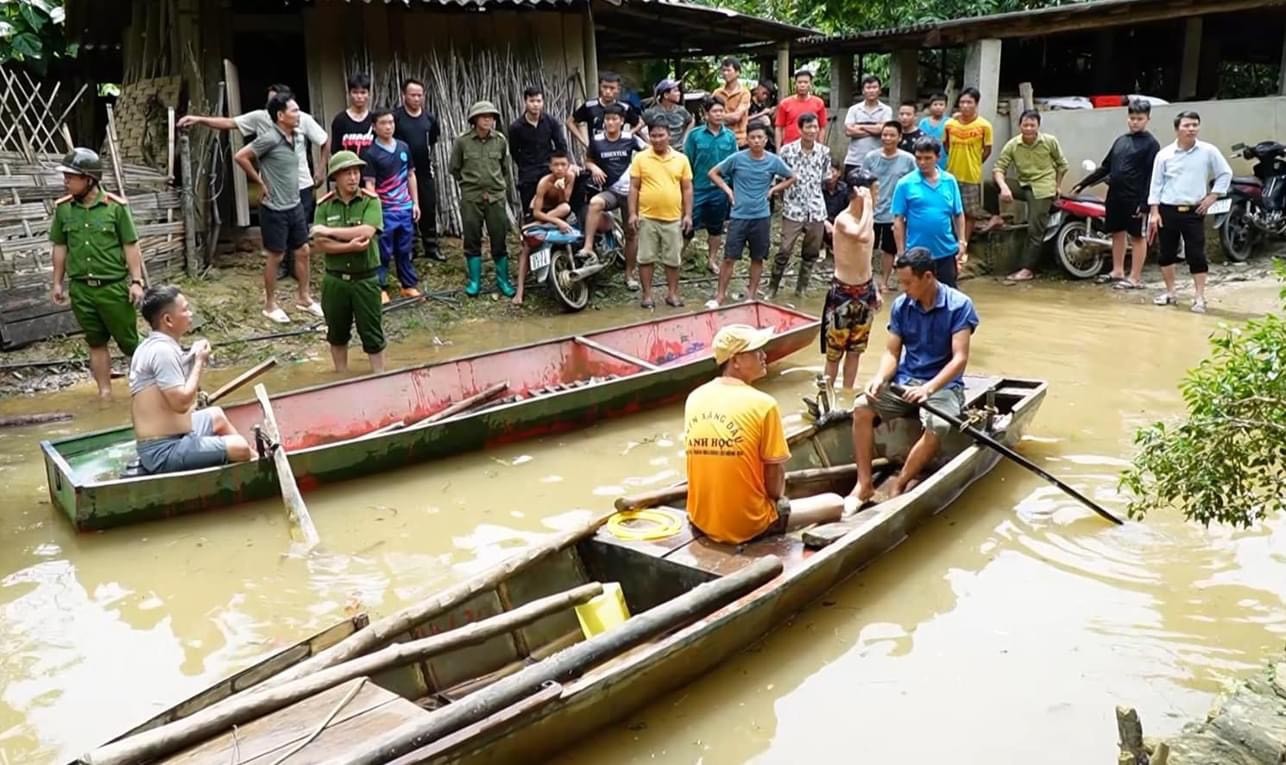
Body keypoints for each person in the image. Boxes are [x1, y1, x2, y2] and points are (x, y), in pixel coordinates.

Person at [684, 324, 845, 545]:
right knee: (835, 503)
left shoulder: (694, 397)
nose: (764, 355)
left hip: (700, 519)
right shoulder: (763, 404)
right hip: (748, 525)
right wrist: (779, 499)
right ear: (735, 361)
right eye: (756, 351)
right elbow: (774, 483)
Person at [849, 247, 979, 502]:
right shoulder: (902, 305)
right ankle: (864, 483)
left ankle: (900, 483)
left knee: (939, 425)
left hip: (942, 385)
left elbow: (959, 359)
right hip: (905, 382)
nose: (903, 288)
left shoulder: (959, 305)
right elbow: (891, 353)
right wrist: (880, 378)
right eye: (901, 282)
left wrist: (928, 388)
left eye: (908, 282)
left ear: (928, 277)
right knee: (861, 408)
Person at [179, 84, 328, 281]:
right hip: (274, 187)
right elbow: (229, 124)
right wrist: (199, 119)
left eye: (276, 100)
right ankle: (282, 267)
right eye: (269, 101)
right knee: (278, 235)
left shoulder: (301, 119)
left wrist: (320, 170)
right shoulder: (261, 119)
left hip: (301, 185)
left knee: (299, 235)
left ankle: (297, 273)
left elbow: (324, 140)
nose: (271, 105)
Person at [49, 148, 145, 399]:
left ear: (89, 178)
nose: (66, 181)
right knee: (95, 341)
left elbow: (130, 245)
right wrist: (57, 283)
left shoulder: (115, 208)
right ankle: (105, 394)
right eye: (66, 176)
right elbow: (60, 247)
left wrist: (136, 281)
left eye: (71, 176)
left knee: (130, 342)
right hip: (81, 288)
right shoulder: (63, 209)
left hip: (112, 287)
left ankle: (150, 389)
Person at [129, 285, 253, 475]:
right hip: (163, 450)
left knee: (216, 415)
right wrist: (199, 362)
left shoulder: (155, 346)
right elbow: (180, 403)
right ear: (168, 320)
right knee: (240, 447)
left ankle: (256, 461)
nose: (190, 314)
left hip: (176, 436)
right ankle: (252, 462)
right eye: (185, 309)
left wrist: (192, 355)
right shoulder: (162, 351)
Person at [234, 92, 321, 323]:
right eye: (294, 110)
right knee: (276, 256)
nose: (298, 114)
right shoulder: (270, 138)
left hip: (294, 204)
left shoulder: (297, 136)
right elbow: (241, 156)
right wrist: (259, 181)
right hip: (274, 209)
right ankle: (270, 305)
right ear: (280, 116)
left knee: (303, 250)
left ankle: (304, 298)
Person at [1147, 110, 1232, 313]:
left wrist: (1213, 196)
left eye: (1195, 125)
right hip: (1167, 210)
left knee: (1196, 254)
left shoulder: (1208, 151)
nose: (1191, 129)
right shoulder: (1164, 154)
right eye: (1187, 125)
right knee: (1166, 254)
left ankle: (1200, 297)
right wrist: (1154, 212)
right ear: (1177, 129)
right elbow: (1156, 185)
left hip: (1194, 211)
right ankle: (1170, 293)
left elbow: (1225, 173)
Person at [312, 151, 387, 374]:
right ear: (336, 177)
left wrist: (330, 231)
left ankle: (380, 377)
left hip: (365, 278)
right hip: (335, 280)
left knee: (372, 334)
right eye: (347, 173)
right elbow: (320, 243)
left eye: (356, 172)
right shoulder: (324, 205)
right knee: (336, 334)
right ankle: (341, 378)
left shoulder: (370, 201)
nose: (353, 178)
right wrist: (348, 246)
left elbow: (367, 231)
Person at [1077, 99, 1161, 290]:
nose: (1135, 122)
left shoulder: (1151, 145)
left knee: (1137, 237)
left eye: (1139, 118)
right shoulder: (1121, 141)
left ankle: (1135, 277)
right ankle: (1117, 270)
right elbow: (1106, 167)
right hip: (1115, 195)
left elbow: (1152, 176)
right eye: (1132, 118)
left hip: (1136, 198)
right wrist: (1084, 183)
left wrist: (1145, 202)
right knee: (1117, 232)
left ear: (1148, 119)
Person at [708, 123, 795, 307]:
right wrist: (728, 191)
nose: (756, 141)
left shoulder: (773, 161)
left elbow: (792, 177)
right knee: (729, 257)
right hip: (739, 215)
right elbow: (713, 173)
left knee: (757, 257)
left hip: (761, 216)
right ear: (747, 139)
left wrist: (773, 189)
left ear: (765, 140)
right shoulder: (737, 158)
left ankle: (751, 295)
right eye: (752, 137)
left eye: (759, 138)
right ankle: (720, 296)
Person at [823, 171, 883, 402]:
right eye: (874, 191)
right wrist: (866, 205)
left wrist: (875, 287)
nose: (876, 196)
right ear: (859, 193)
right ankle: (827, 399)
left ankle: (847, 395)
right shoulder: (844, 219)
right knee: (834, 353)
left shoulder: (868, 218)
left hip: (864, 291)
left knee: (856, 350)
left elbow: (866, 256)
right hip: (843, 294)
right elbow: (861, 237)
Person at [449, 100, 516, 299]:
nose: (488, 120)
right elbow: (454, 168)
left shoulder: (500, 140)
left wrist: (494, 186)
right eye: (484, 116)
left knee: (499, 238)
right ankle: (474, 281)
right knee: (471, 238)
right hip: (471, 198)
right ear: (474, 119)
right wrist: (471, 185)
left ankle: (503, 280)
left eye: (491, 116)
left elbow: (505, 169)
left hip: (495, 197)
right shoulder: (462, 141)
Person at [994, 109, 1068, 282]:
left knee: (1035, 230)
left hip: (1043, 188)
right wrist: (1004, 186)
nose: (1028, 128)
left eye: (1032, 125)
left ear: (1038, 126)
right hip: (1024, 184)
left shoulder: (1049, 141)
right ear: (1019, 125)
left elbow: (1062, 165)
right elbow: (999, 168)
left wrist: (1057, 186)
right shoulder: (1013, 144)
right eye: (1025, 125)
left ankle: (1027, 269)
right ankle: (995, 218)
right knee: (993, 184)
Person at [629, 119, 693, 309]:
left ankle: (672, 294)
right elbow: (633, 187)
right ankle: (647, 295)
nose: (656, 139)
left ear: (669, 136)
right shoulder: (641, 158)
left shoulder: (681, 159)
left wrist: (688, 215)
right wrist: (633, 213)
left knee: (673, 259)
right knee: (645, 258)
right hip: (647, 217)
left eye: (661, 135)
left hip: (673, 218)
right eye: (653, 136)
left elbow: (687, 188)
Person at [580, 103, 645, 287]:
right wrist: (593, 167)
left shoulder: (630, 138)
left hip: (632, 192)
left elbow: (649, 152)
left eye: (614, 119)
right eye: (607, 119)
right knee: (594, 203)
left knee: (631, 232)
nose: (610, 123)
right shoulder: (597, 140)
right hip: (611, 191)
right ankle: (588, 246)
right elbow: (588, 160)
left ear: (622, 121)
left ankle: (629, 275)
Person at [360, 109, 421, 302]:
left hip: (404, 208)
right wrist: (375, 211)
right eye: (384, 123)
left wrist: (415, 203)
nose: (388, 127)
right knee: (383, 251)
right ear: (374, 127)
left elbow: (411, 175)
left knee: (405, 249)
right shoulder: (370, 153)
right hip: (385, 210)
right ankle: (381, 287)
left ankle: (408, 285)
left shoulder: (403, 147)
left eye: (391, 123)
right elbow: (370, 185)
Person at [892, 137, 967, 287]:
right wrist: (901, 252)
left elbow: (958, 214)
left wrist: (962, 240)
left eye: (928, 158)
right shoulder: (905, 184)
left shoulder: (949, 181)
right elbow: (898, 220)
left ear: (937, 158)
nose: (922, 162)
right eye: (918, 158)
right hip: (916, 253)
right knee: (917, 296)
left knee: (948, 297)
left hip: (946, 251)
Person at [772, 113, 831, 299]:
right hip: (793, 208)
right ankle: (773, 287)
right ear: (800, 129)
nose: (812, 131)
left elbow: (825, 179)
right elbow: (779, 180)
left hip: (816, 208)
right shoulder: (787, 151)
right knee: (784, 249)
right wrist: (785, 200)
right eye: (808, 127)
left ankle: (801, 289)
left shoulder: (824, 152)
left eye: (815, 127)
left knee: (811, 252)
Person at [513, 150, 580, 306]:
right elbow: (536, 212)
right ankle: (520, 290)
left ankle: (538, 227)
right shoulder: (544, 183)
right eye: (556, 165)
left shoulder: (570, 177)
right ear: (550, 166)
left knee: (565, 208)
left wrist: (561, 188)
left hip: (557, 212)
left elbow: (565, 201)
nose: (560, 168)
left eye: (563, 164)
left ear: (568, 165)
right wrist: (557, 222)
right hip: (539, 215)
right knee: (526, 249)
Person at [683, 97, 738, 275]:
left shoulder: (729, 136)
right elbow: (687, 162)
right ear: (705, 114)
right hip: (697, 188)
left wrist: (731, 188)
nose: (719, 114)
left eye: (721, 111)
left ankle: (712, 260)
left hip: (720, 190)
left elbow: (733, 163)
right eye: (714, 111)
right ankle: (677, 258)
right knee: (688, 225)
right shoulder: (694, 135)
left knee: (716, 228)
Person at [393, 77, 444, 262]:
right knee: (406, 209)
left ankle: (431, 246)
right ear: (404, 95)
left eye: (419, 95)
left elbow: (433, 141)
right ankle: (410, 248)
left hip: (424, 170)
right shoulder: (396, 117)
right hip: (401, 172)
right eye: (412, 95)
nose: (416, 99)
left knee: (428, 207)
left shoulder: (429, 118)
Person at [862, 121, 917, 290]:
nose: (887, 138)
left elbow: (914, 185)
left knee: (889, 250)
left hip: (895, 213)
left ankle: (884, 281)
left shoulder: (908, 160)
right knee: (867, 248)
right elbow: (863, 183)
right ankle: (866, 280)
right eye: (884, 134)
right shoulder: (871, 157)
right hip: (871, 211)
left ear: (899, 137)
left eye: (892, 135)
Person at [509, 85, 569, 222]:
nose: (535, 105)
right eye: (532, 101)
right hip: (528, 175)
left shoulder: (551, 122)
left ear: (543, 102)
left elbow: (561, 146)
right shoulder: (516, 127)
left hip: (549, 171)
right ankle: (530, 237)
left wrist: (557, 168)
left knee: (555, 207)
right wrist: (525, 165)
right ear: (525, 101)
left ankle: (558, 242)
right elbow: (514, 151)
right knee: (530, 211)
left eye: (538, 101)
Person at [943, 88, 993, 244]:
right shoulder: (950, 124)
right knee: (950, 210)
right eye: (962, 102)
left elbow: (987, 150)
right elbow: (946, 146)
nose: (965, 106)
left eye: (969, 102)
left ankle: (963, 243)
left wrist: (974, 163)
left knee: (970, 212)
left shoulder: (984, 126)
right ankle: (951, 242)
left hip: (972, 176)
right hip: (951, 174)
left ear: (976, 104)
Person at [568, 71, 642, 149]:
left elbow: (640, 123)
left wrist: (627, 135)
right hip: (596, 150)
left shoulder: (624, 107)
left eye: (612, 88)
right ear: (600, 87)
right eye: (604, 87)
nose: (607, 91)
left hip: (617, 150)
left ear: (618, 89)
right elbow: (570, 122)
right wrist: (585, 142)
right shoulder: (590, 106)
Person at [842, 74, 891, 174]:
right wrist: (875, 129)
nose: (871, 90)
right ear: (863, 91)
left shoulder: (886, 110)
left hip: (878, 159)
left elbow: (883, 130)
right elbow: (849, 131)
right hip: (854, 159)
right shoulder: (854, 109)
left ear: (880, 90)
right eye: (868, 88)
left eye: (874, 87)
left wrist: (860, 126)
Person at [327, 73, 374, 162]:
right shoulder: (340, 120)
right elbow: (335, 152)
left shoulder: (374, 120)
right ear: (349, 93)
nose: (359, 96)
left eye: (363, 92)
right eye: (355, 92)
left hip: (371, 173)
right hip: (348, 171)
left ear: (369, 94)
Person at [775, 70, 827, 149]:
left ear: (810, 84)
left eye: (806, 82)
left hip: (811, 146)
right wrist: (778, 150)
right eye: (799, 82)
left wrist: (820, 147)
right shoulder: (785, 103)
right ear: (795, 84)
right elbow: (779, 128)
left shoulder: (819, 103)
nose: (802, 85)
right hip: (789, 147)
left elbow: (822, 127)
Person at [642, 79, 693, 149]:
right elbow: (637, 126)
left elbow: (691, 121)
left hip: (678, 150)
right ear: (666, 95)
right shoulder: (652, 112)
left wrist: (685, 138)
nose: (679, 93)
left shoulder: (681, 110)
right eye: (675, 91)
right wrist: (648, 141)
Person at [712, 57, 751, 148]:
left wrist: (718, 117)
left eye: (729, 70)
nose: (725, 73)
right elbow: (710, 116)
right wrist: (726, 117)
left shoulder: (744, 93)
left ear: (737, 73)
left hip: (739, 139)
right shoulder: (717, 92)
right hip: (720, 138)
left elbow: (736, 117)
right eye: (723, 70)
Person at [918, 92, 949, 170]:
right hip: (926, 155)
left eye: (941, 105)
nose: (938, 107)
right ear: (930, 106)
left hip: (943, 157)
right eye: (935, 104)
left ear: (946, 107)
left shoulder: (949, 123)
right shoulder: (923, 122)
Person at [748, 81, 778, 152]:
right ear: (758, 88)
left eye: (767, 95)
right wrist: (761, 114)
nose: (765, 97)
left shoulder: (762, 106)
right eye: (764, 93)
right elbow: (743, 119)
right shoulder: (748, 101)